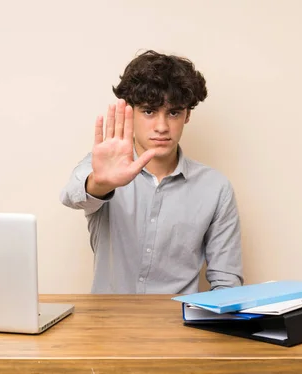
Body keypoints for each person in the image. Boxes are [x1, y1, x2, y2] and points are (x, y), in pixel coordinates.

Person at [60, 50, 243, 294]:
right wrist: (101, 185)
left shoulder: (216, 188)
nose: (161, 127)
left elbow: (227, 283)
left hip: (179, 325)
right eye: (149, 111)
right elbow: (71, 196)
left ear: (187, 115)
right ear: (130, 112)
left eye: (174, 112)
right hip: (108, 325)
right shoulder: (105, 167)